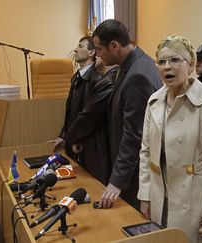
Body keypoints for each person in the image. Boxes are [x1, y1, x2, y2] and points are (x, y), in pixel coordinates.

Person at [138, 35, 202, 243]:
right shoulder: (154, 102)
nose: (167, 67)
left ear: (191, 65)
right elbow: (145, 153)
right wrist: (145, 194)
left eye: (175, 60)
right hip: (159, 195)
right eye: (161, 62)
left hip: (194, 200)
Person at [92, 19, 162, 209]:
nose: (96, 54)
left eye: (99, 49)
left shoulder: (137, 74)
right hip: (131, 169)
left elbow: (134, 135)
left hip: (135, 175)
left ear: (114, 46)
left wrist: (117, 180)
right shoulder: (134, 63)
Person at [52, 36, 114, 185]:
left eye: (80, 46)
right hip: (76, 140)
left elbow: (89, 117)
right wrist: (63, 135)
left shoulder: (96, 79)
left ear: (92, 52)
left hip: (89, 145)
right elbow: (72, 112)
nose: (75, 50)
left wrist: (72, 138)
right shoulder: (76, 77)